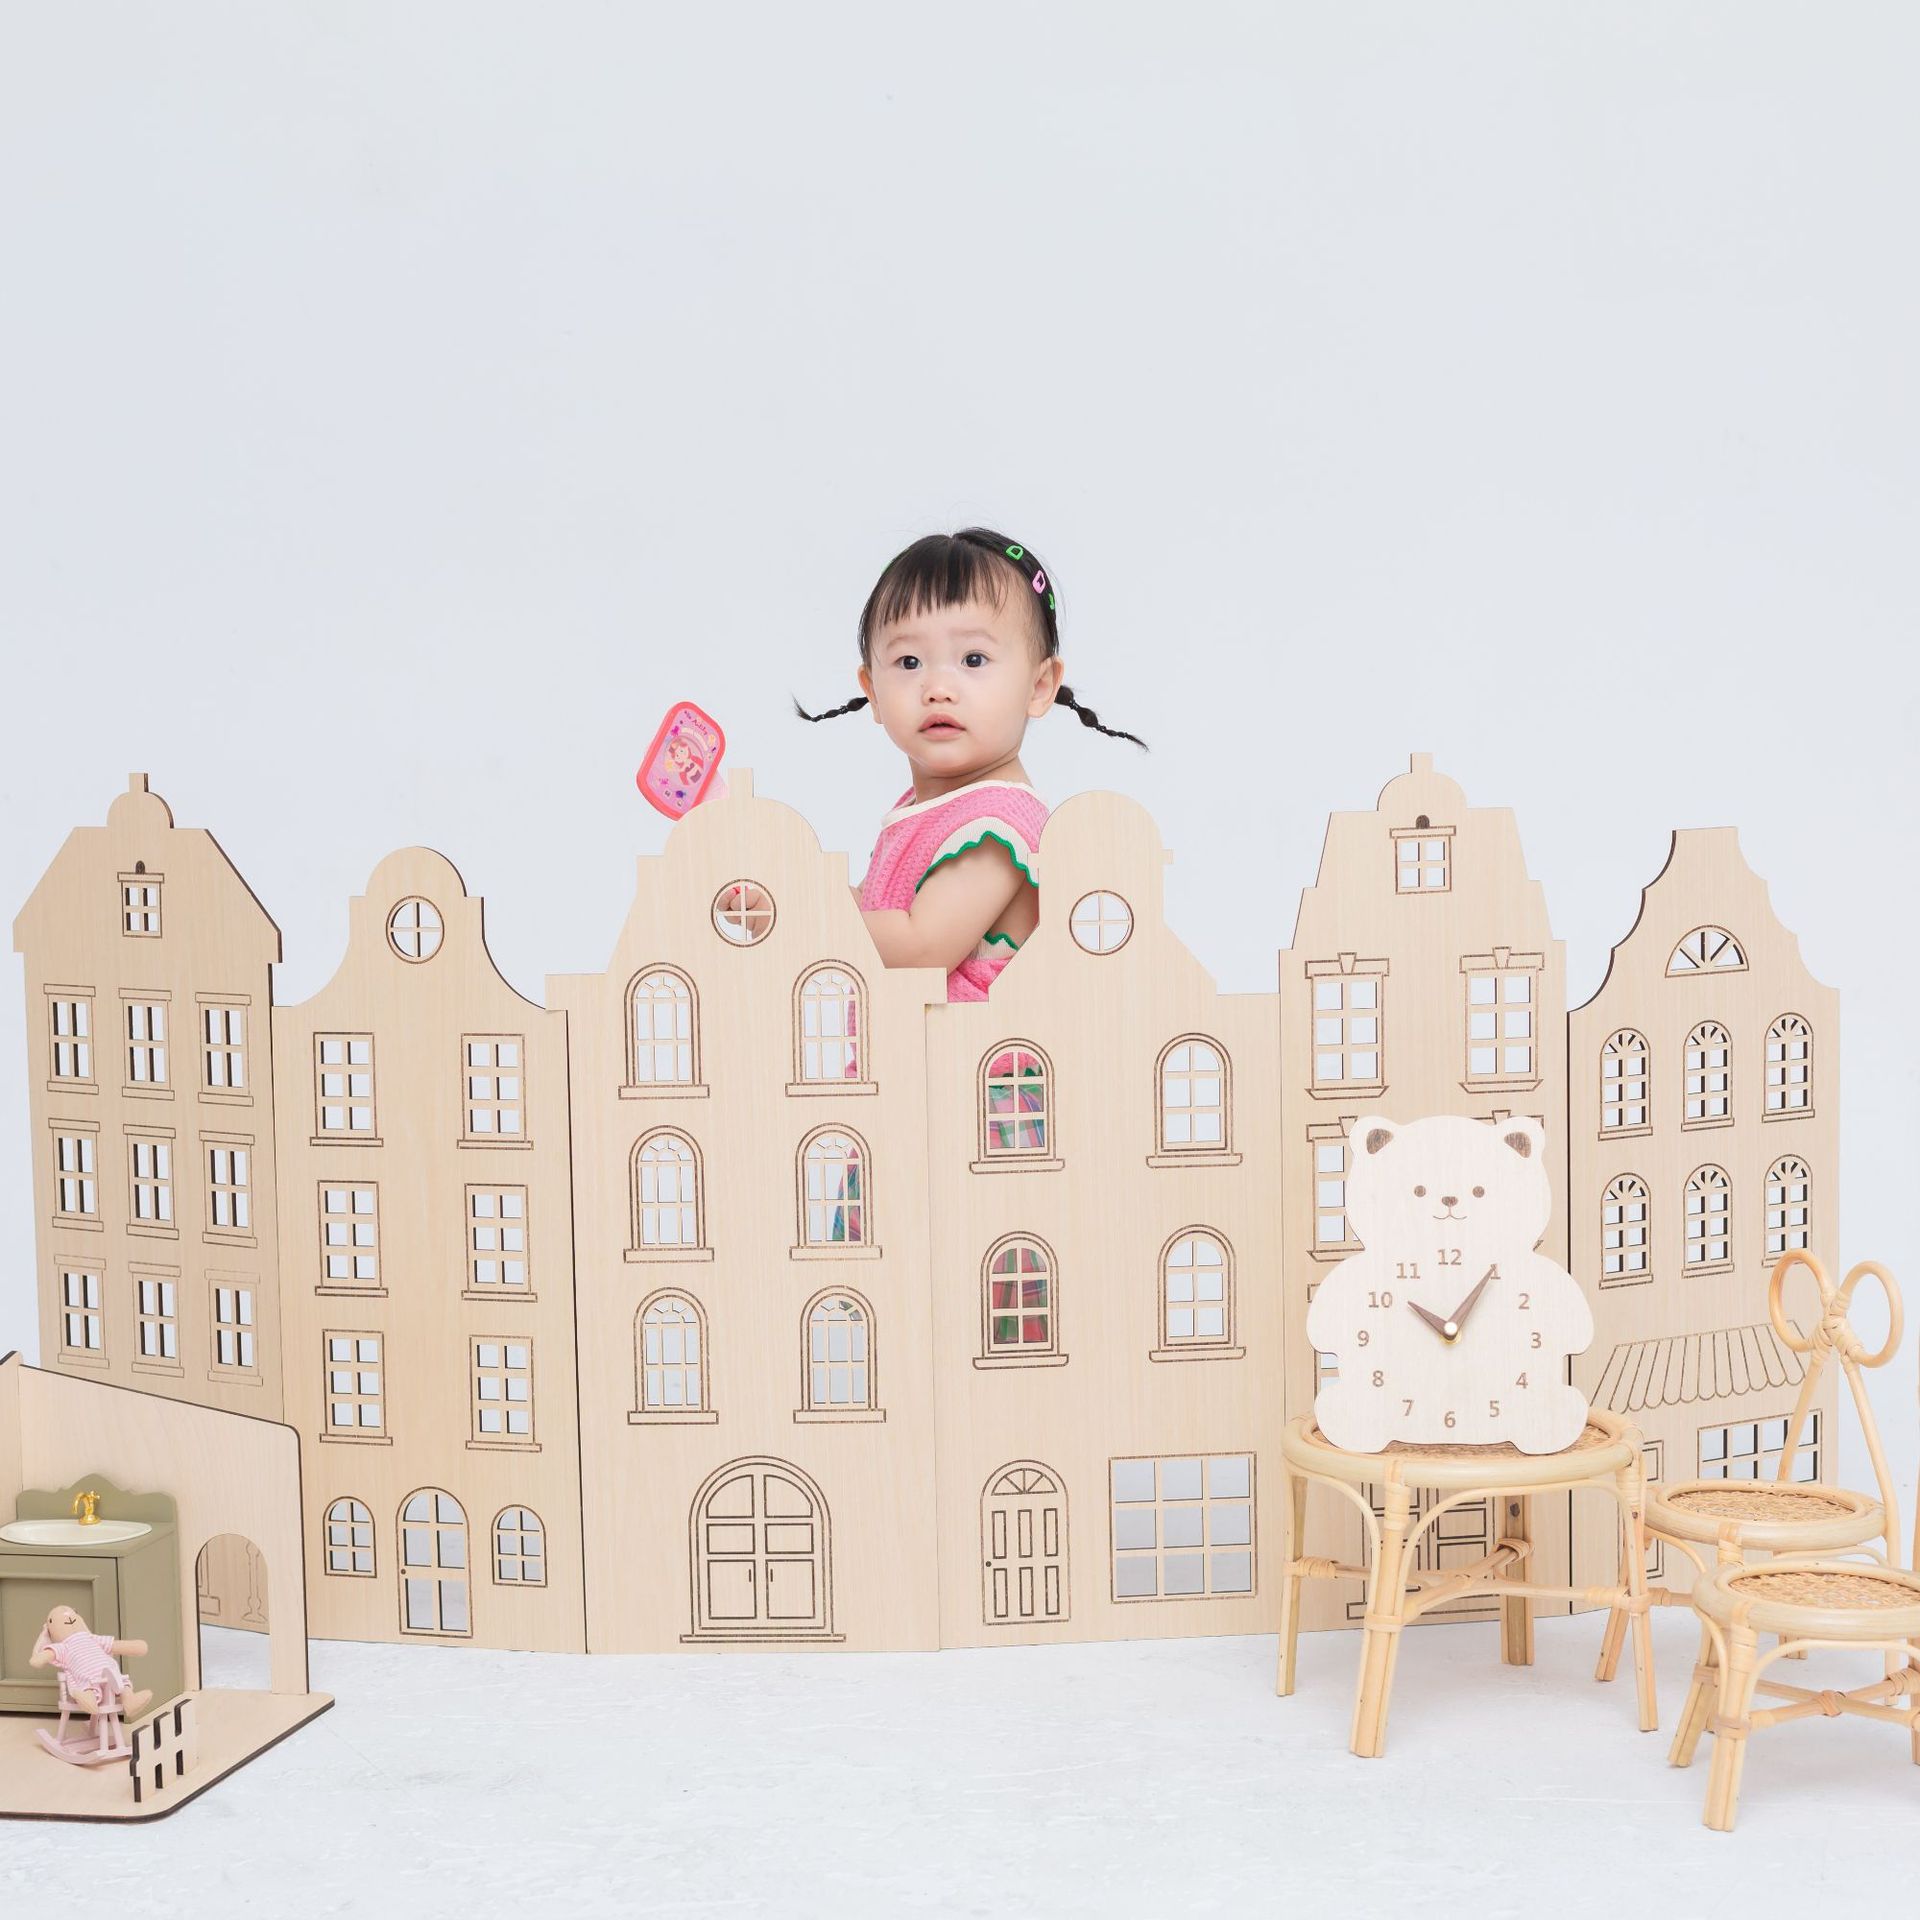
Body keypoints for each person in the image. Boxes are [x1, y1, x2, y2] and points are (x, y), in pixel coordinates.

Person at [795, 528, 1146, 1002]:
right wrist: (782, 898)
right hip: (912, 1046)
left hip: (979, 1050)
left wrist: (804, 918)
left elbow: (919, 949)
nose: (938, 688)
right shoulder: (928, 811)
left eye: (974, 659)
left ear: (1039, 686)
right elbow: (874, 911)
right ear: (873, 691)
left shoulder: (995, 828)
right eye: (909, 662)